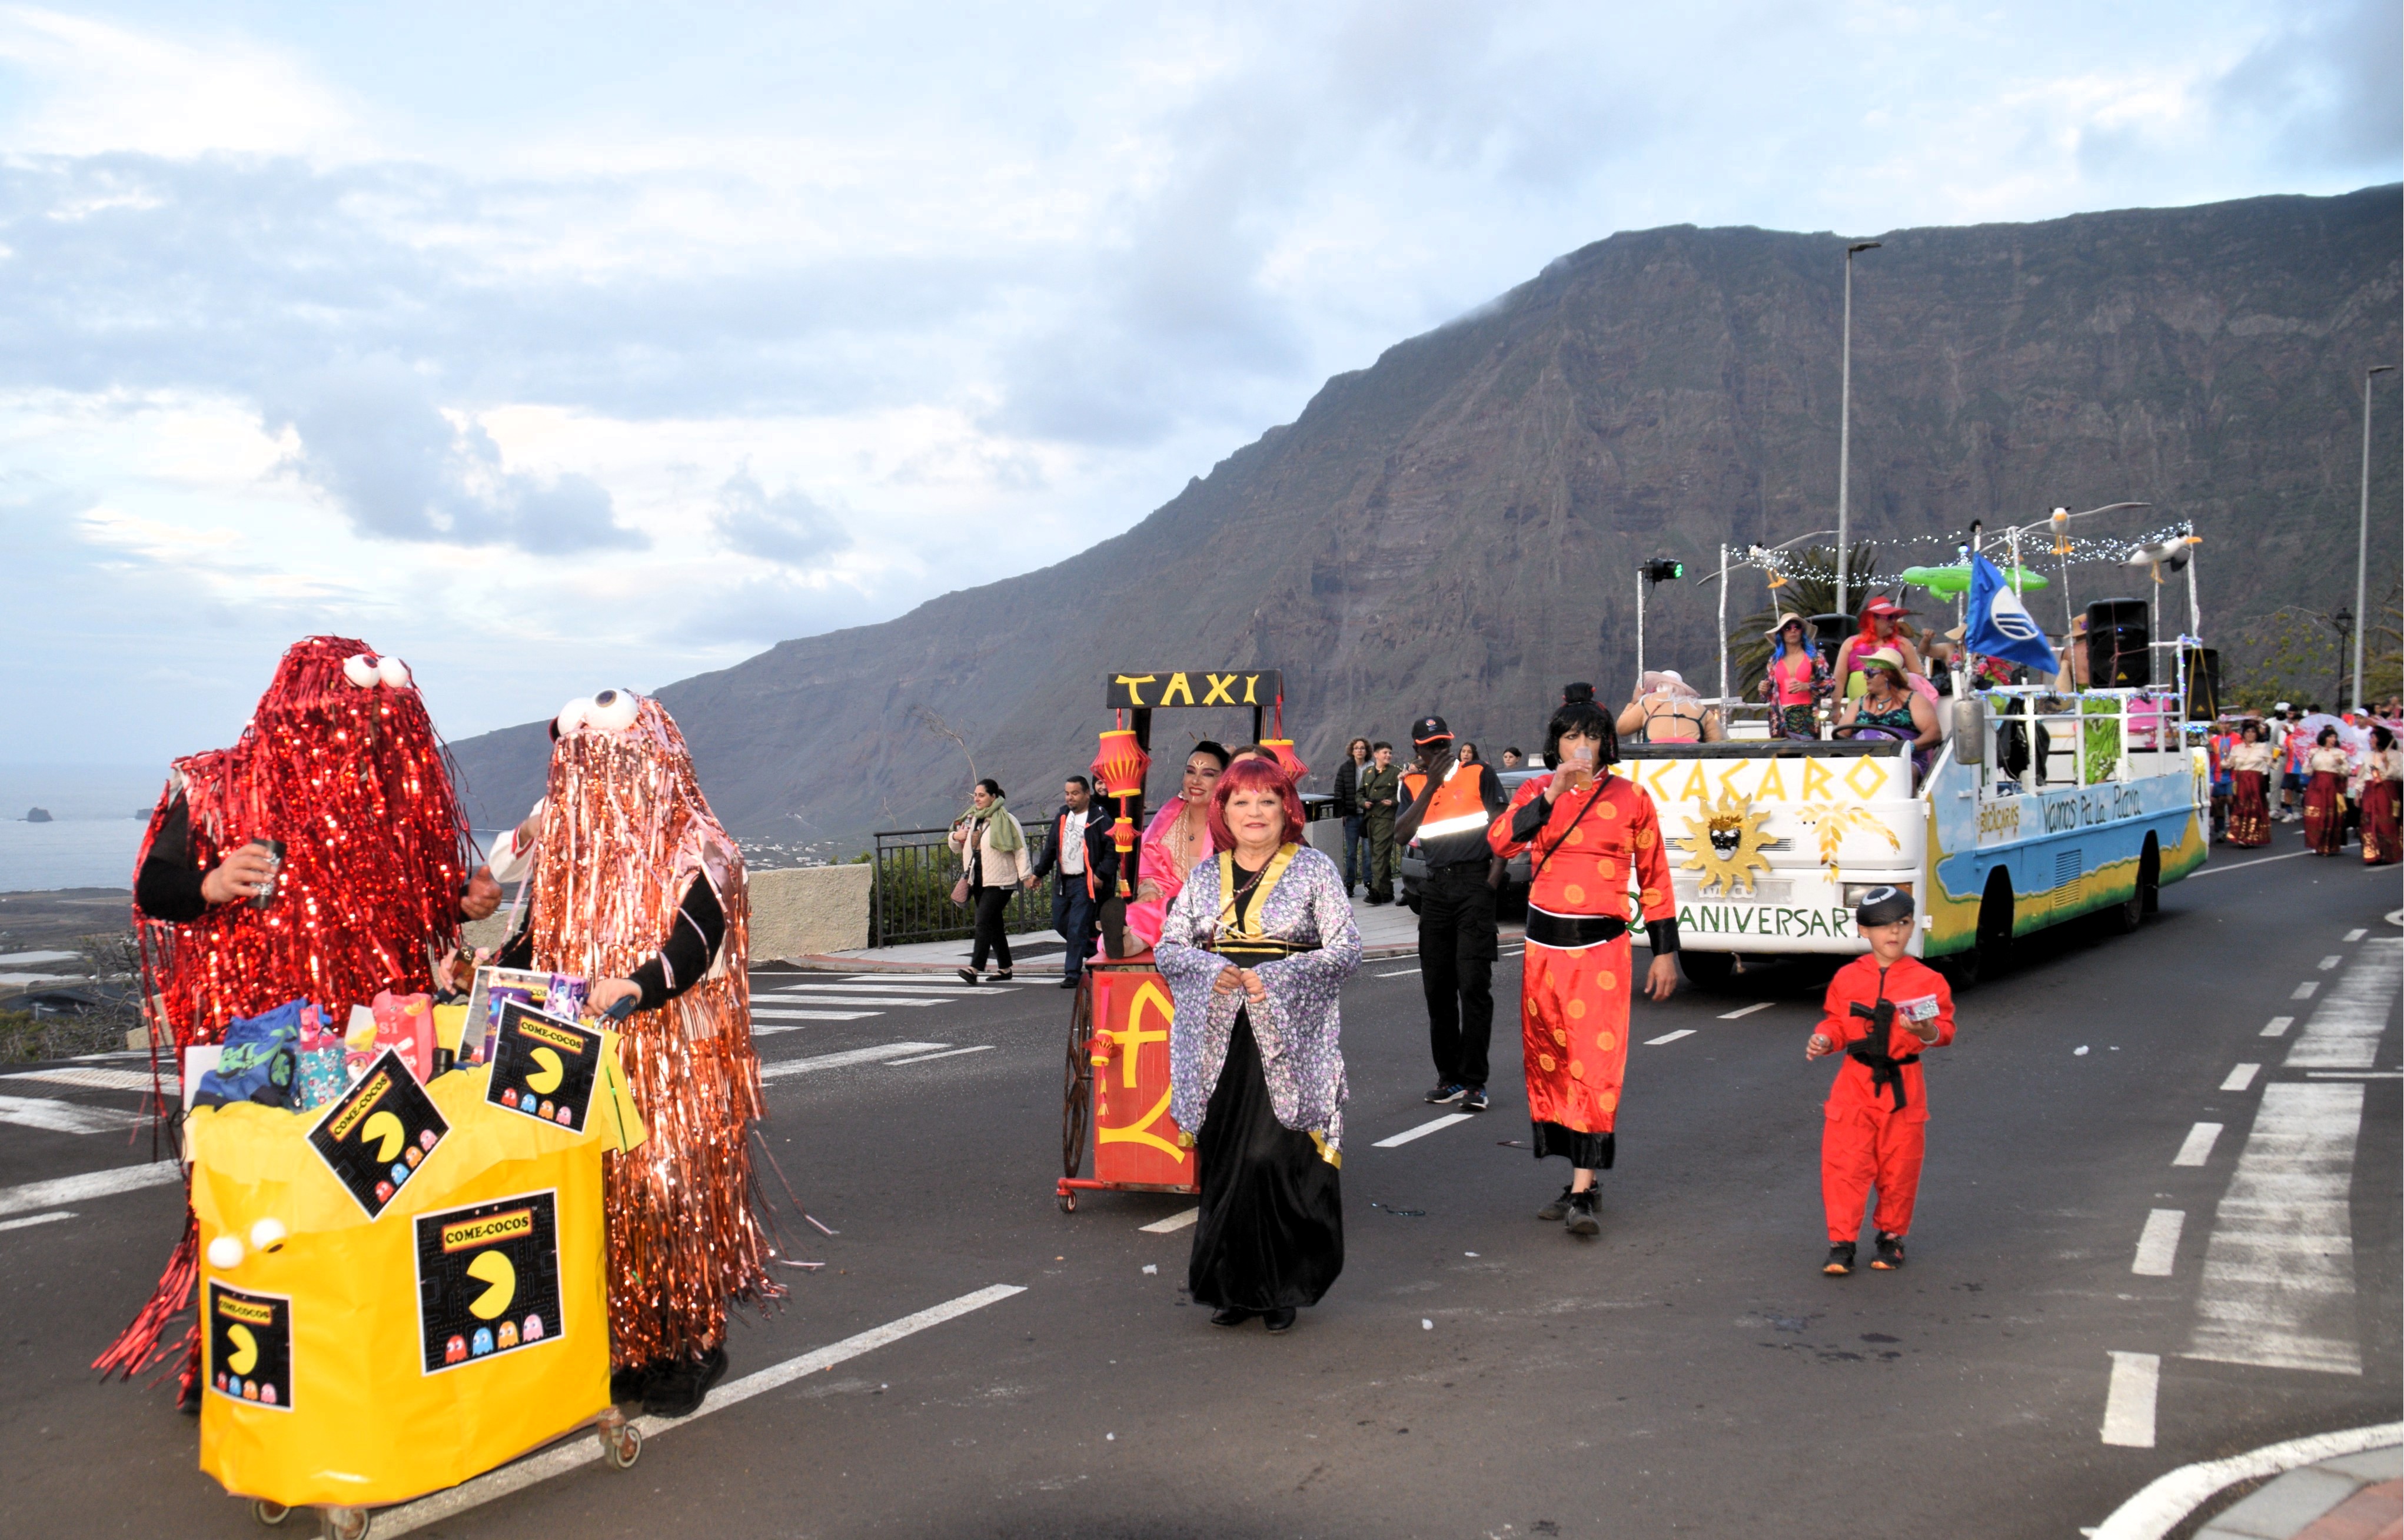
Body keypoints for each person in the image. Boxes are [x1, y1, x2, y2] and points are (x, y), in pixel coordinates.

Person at [104, 636, 500, 1409]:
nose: (360, 738)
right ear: (301, 710)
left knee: (369, 1185)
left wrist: (463, 902)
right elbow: (156, 886)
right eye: (346, 719)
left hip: (368, 1032)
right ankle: (240, 1369)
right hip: (255, 1038)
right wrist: (212, 882)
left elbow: (423, 896)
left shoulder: (386, 801)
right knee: (254, 1201)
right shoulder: (214, 782)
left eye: (373, 724)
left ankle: (362, 1352)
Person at [492, 690, 771, 1417]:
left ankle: (691, 1342)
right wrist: (492, 974)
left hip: (672, 1067)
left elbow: (695, 940)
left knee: (668, 1196)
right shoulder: (570, 856)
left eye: (608, 761)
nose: (591, 777)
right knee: (603, 1203)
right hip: (584, 1063)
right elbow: (534, 941)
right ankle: (630, 1343)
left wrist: (637, 985)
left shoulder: (702, 849)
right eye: (579, 764)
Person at [1153, 757, 1362, 1332]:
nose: (1253, 813)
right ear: (1222, 810)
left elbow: (1345, 950)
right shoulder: (1203, 877)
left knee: (1272, 1157)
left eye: (1266, 801)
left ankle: (1282, 1286)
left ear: (1285, 809)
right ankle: (1232, 1287)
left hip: (1290, 1039)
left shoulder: (1316, 870)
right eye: (1241, 802)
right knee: (1224, 1161)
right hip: (1219, 1039)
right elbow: (1168, 948)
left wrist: (1279, 976)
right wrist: (1206, 966)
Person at [1487, 694, 1680, 1239]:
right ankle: (1579, 1179)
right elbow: (1500, 841)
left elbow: (1656, 874)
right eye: (1570, 737)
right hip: (1543, 951)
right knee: (1552, 1061)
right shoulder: (1533, 791)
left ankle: (1582, 1188)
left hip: (1602, 953)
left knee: (1594, 1067)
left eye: (1590, 737)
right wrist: (1548, 794)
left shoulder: (1632, 797)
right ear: (1556, 745)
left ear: (1605, 744)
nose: (1580, 748)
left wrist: (1665, 950)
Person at [1807, 885, 1954, 1275]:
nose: (1893, 933)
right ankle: (1840, 1244)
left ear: (1912, 928)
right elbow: (1836, 1022)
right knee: (1843, 1165)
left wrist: (1924, 1030)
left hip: (1902, 1086)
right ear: (1863, 931)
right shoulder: (1846, 977)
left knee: (1899, 1165)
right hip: (1853, 1084)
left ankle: (1891, 1238)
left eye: (1902, 924)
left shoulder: (1928, 979)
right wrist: (1824, 1039)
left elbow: (1944, 1030)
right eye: (1882, 926)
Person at [1394, 715, 1508, 1114]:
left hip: (1475, 884)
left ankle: (1475, 1082)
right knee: (1437, 988)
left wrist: (1491, 882)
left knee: (1473, 984)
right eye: (1431, 746)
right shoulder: (1411, 784)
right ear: (1418, 750)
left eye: (1443, 744)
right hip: (1436, 890)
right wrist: (1428, 785)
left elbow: (1503, 830)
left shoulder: (1480, 773)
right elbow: (1401, 834)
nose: (1439, 751)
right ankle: (1450, 1077)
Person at [1128, 741, 1231, 946]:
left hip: (1216, 907)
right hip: (1166, 902)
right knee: (1138, 914)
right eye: (1190, 771)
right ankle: (1124, 941)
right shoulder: (1166, 819)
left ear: (1224, 781)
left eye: (1208, 774)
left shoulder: (1233, 823)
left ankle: (1177, 929)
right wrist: (1149, 890)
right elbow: (1149, 867)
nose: (1196, 780)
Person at [1028, 775, 1119, 989]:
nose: (1070, 798)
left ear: (1087, 794)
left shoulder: (1099, 817)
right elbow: (1051, 847)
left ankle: (1072, 972)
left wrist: (1100, 875)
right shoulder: (1062, 816)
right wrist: (1039, 873)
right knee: (1061, 923)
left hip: (1085, 881)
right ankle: (1099, 953)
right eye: (1068, 793)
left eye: (1075, 793)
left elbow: (1112, 851)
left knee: (1077, 926)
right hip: (1063, 880)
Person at [949, 779, 1031, 982]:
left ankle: (975, 968)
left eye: (982, 795)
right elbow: (958, 847)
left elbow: (1020, 850)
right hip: (977, 879)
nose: (977, 798)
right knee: (993, 924)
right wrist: (955, 836)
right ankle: (1005, 968)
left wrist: (1026, 876)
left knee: (983, 921)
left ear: (994, 797)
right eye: (975, 795)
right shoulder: (972, 820)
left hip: (1001, 879)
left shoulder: (1007, 820)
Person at [1837, 647, 1940, 777]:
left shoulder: (1914, 700)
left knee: (1902, 773)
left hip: (1903, 761)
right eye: (1865, 671)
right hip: (1862, 761)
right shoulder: (1860, 703)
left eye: (1870, 672)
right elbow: (1840, 734)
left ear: (1887, 675)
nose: (1865, 677)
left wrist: (1907, 747)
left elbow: (1934, 734)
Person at [1833, 597, 1925, 701]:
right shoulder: (1851, 643)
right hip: (1858, 712)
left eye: (1895, 617)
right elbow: (1839, 679)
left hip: (1894, 709)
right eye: (1890, 617)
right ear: (1874, 619)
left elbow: (1919, 677)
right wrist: (1836, 706)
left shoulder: (1903, 644)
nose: (1894, 621)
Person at [1760, 613, 1830, 739]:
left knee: (1807, 755)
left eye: (1797, 627)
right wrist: (1763, 689)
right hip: (1780, 719)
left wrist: (1808, 686)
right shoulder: (1774, 661)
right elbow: (1769, 693)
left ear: (1802, 631)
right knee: (1783, 757)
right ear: (1781, 633)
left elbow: (1830, 684)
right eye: (1787, 628)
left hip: (1808, 716)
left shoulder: (1815, 658)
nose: (1793, 631)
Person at [1618, 670, 1723, 745]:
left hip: (1655, 758)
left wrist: (1634, 702)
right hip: (1691, 760)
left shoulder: (1647, 702)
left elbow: (1622, 728)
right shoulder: (1698, 707)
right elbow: (1717, 741)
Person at [1358, 742, 1402, 905]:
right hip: (1371, 819)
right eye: (1385, 753)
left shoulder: (1396, 773)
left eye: (1390, 753)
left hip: (1386, 819)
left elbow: (1403, 795)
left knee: (1378, 855)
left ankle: (1376, 891)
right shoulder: (1368, 772)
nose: (1388, 756)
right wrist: (1364, 803)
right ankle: (1387, 891)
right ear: (1376, 755)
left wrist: (1392, 802)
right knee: (1379, 855)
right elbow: (1360, 794)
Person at [2226, 721, 2276, 847]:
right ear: (2243, 734)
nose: (2250, 734)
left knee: (2255, 807)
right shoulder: (2237, 748)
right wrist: (2225, 756)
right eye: (2248, 732)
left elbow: (2271, 764)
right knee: (2240, 807)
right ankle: (2240, 835)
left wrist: (2276, 757)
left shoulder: (2263, 747)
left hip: (2255, 780)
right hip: (2242, 780)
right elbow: (2229, 765)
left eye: (2253, 732)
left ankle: (2253, 835)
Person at [1332, 738, 1372, 896]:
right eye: (1357, 748)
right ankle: (1349, 884)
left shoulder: (1372, 767)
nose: (1360, 751)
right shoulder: (1345, 769)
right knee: (1351, 852)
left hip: (1369, 816)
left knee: (1368, 851)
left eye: (1362, 748)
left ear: (1366, 751)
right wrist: (1341, 813)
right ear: (1352, 751)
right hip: (1351, 816)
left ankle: (1368, 882)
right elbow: (1339, 791)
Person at [2303, 727, 2350, 856]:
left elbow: (2346, 772)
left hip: (2332, 786)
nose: (2333, 740)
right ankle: (2315, 842)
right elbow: (2307, 771)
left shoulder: (2340, 753)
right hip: (2316, 785)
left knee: (2330, 815)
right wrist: (2309, 760)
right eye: (2330, 737)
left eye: (2335, 737)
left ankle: (2328, 844)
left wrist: (2341, 764)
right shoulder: (2314, 751)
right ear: (2324, 738)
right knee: (2313, 814)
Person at [2363, 726, 2402, 866]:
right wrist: (2358, 791)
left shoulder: (2394, 755)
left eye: (2373, 738)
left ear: (2380, 739)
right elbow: (2364, 774)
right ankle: (2372, 853)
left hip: (2385, 790)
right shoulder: (2368, 755)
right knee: (2368, 820)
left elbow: (2397, 774)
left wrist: (2386, 762)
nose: (2370, 740)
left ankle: (2388, 853)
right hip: (2369, 790)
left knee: (2384, 821)